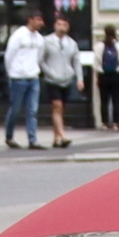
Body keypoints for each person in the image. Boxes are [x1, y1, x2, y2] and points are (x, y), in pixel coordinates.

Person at [2, 11, 46, 148]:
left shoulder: (39, 39)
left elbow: (39, 56)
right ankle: (9, 136)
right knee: (15, 109)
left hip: (33, 77)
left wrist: (34, 69)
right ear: (30, 20)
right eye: (38, 19)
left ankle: (32, 140)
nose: (41, 23)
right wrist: (11, 72)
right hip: (18, 77)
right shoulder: (19, 35)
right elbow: (9, 54)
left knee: (32, 110)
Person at [42, 15, 80, 148]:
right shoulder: (47, 41)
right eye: (59, 24)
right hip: (52, 80)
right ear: (54, 25)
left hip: (66, 79)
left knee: (59, 109)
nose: (62, 27)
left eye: (64, 25)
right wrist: (49, 72)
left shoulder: (72, 43)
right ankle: (63, 135)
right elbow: (41, 60)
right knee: (57, 105)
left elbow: (76, 61)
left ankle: (56, 137)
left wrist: (79, 78)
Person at [96, 24, 119, 128]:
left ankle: (104, 123)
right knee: (116, 100)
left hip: (103, 75)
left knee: (104, 100)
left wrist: (96, 77)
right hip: (116, 75)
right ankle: (116, 124)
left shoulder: (99, 45)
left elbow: (97, 63)